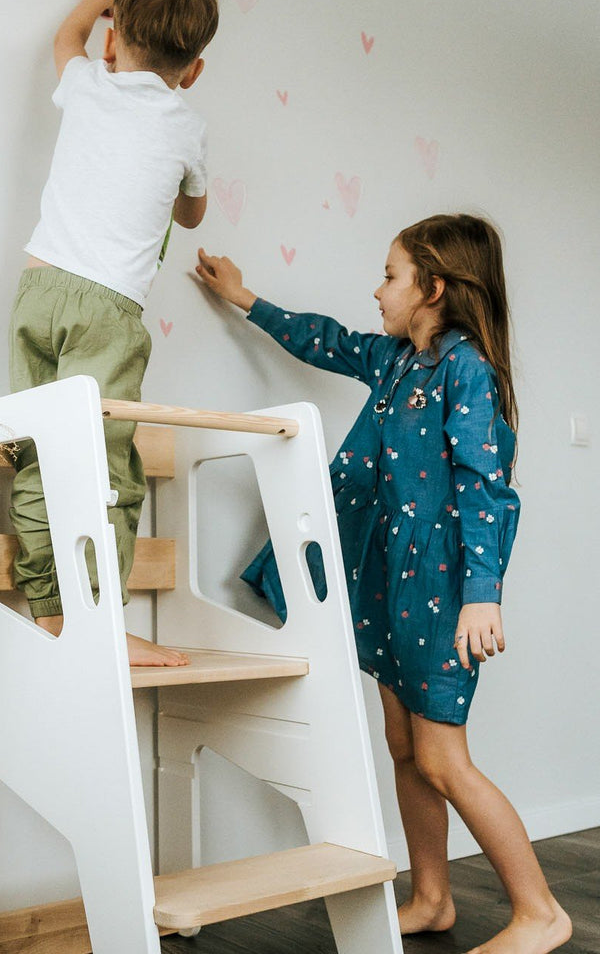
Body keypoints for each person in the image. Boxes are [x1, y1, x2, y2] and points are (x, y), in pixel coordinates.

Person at [194, 215, 572, 954]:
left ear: (434, 288)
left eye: (391, 276)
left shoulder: (466, 369)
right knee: (402, 745)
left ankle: (541, 912)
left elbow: (485, 486)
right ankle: (432, 897)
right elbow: (327, 340)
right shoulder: (398, 360)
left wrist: (483, 591)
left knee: (442, 758)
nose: (378, 289)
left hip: (444, 587)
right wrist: (246, 299)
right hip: (390, 583)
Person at [9, 0, 218, 667]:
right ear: (192, 71)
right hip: (106, 309)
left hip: (37, 292)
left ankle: (49, 611)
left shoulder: (88, 84)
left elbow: (65, 35)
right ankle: (99, 620)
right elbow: (191, 214)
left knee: (38, 449)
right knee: (108, 468)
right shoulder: (186, 125)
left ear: (113, 40)